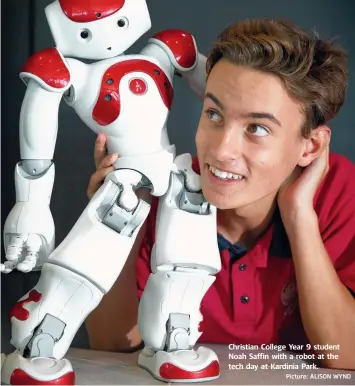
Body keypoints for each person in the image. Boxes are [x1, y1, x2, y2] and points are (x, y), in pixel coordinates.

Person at [85, 18, 355, 370]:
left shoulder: (338, 191)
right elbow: (113, 344)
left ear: (311, 146)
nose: (221, 149)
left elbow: (346, 355)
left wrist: (299, 214)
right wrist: (116, 230)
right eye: (214, 114)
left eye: (256, 128)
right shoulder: (161, 192)